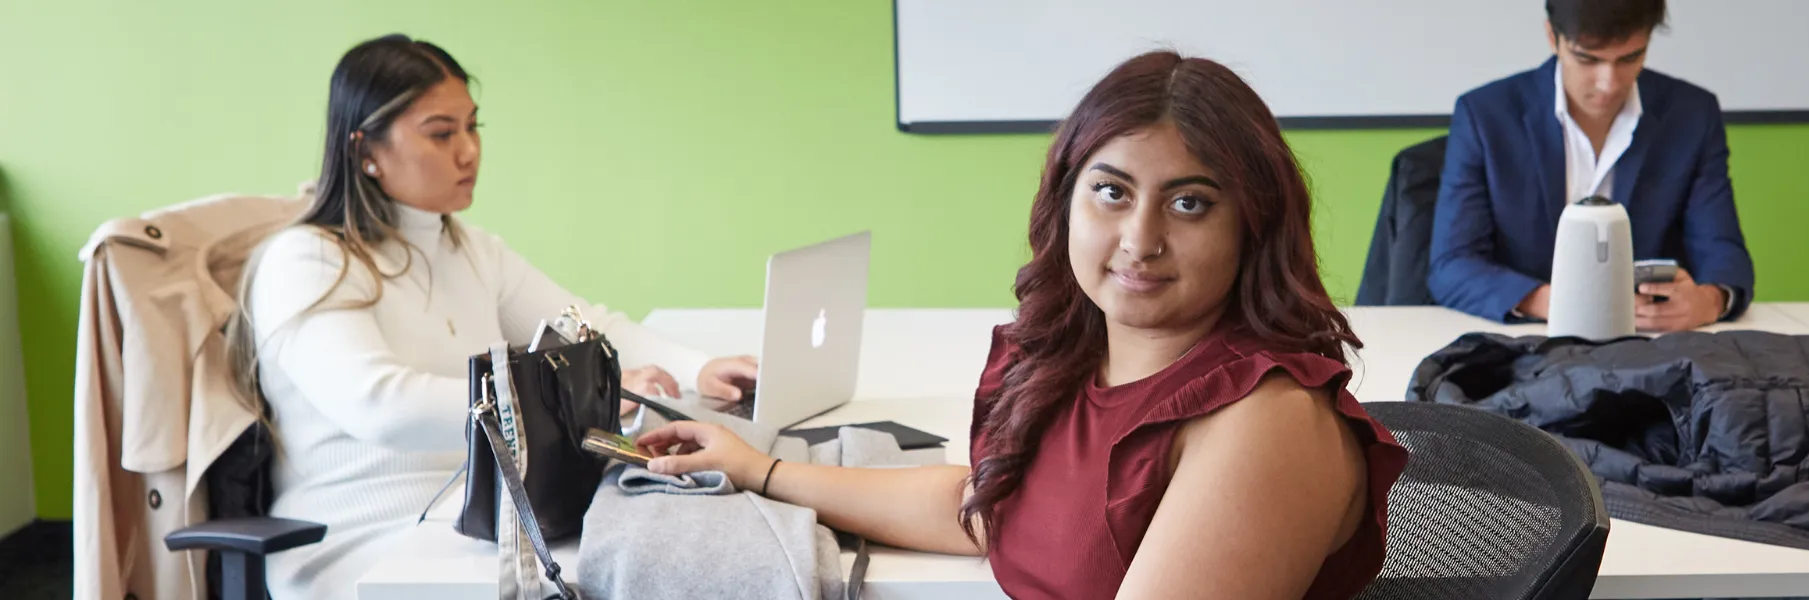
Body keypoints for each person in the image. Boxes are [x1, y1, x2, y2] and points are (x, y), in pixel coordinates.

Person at [637, 51, 1408, 600]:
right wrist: (760, 470)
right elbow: (983, 512)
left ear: (1254, 224)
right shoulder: (1073, 360)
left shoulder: (1264, 420)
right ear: (1065, 201)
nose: (1140, 239)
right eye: (1112, 192)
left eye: (1190, 203)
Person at [225, 35, 758, 599]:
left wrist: (699, 369)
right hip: (359, 543)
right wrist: (567, 402)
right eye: (441, 133)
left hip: (483, 517)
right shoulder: (307, 261)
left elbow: (588, 330)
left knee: (692, 549)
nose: (468, 151)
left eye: (472, 127)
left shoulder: (472, 251)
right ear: (365, 151)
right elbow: (381, 406)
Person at [1428, 0, 1755, 331]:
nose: (1608, 83)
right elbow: (1452, 265)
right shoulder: (1486, 115)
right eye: (1587, 59)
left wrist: (1710, 300)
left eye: (1630, 58)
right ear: (1552, 37)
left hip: (1646, 343)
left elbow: (1723, 251)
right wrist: (1557, 303)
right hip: (1524, 338)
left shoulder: (1692, 114)